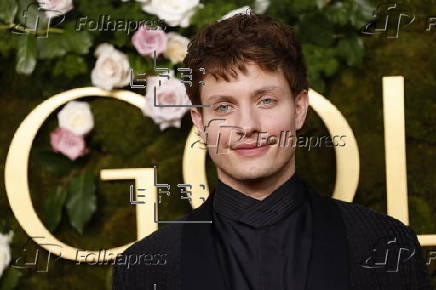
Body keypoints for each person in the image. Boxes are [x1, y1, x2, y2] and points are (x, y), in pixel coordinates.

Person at [112, 11, 433, 290]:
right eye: (224, 106)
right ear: (199, 120)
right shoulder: (144, 269)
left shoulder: (387, 244)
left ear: (299, 108)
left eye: (265, 100)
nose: (247, 125)